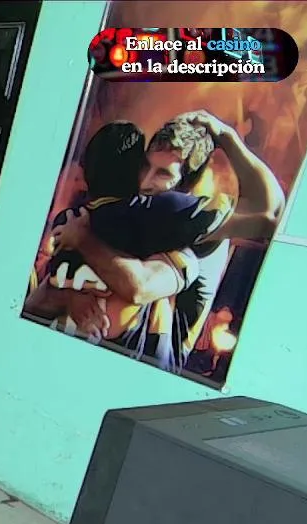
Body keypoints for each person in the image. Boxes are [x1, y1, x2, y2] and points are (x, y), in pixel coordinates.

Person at [36, 111, 285, 369]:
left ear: (188, 183)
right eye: (145, 166)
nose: (145, 182)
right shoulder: (132, 215)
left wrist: (226, 136)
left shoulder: (200, 233)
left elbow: (272, 214)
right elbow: (38, 298)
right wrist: (69, 297)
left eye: (163, 174)